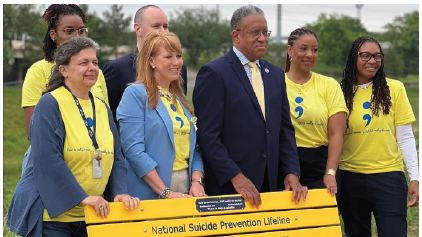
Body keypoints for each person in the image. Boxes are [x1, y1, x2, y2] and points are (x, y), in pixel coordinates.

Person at [7, 37, 139, 237]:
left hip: (92, 215)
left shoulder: (102, 107)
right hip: (53, 218)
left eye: (95, 62)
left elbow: (117, 157)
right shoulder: (49, 104)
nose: (92, 67)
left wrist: (120, 191)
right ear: (64, 70)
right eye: (83, 63)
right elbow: (48, 159)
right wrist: (83, 197)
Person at [193, 5, 306, 208]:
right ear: (236, 36)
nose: (263, 38)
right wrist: (236, 176)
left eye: (265, 32)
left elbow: (284, 129)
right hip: (230, 188)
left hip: (271, 184)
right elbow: (208, 136)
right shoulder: (214, 73)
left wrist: (291, 172)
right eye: (256, 33)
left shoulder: (276, 74)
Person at [339, 36, 419, 237]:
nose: (372, 61)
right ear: (353, 58)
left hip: (389, 178)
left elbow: (406, 137)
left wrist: (415, 178)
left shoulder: (395, 89)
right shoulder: (339, 92)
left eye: (377, 56)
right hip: (350, 178)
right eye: (365, 55)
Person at [21, 4, 109, 174]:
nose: (77, 36)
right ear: (53, 35)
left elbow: (105, 122)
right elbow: (33, 132)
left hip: (93, 164)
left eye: (82, 31)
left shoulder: (97, 74)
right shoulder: (38, 71)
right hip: (52, 163)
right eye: (69, 31)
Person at [117, 31, 205, 200]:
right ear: (151, 61)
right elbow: (134, 151)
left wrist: (197, 182)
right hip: (149, 191)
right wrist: (166, 192)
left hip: (185, 188)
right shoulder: (135, 94)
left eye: (178, 56)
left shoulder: (180, 98)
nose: (176, 62)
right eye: (168, 57)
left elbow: (195, 147)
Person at [284, 28, 347, 198]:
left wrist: (330, 172)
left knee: (321, 222)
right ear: (290, 50)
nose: (310, 55)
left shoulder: (329, 85)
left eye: (315, 50)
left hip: (320, 165)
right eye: (303, 48)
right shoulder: (276, 83)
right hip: (285, 164)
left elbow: (336, 133)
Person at [103, 5, 188, 126]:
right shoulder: (117, 69)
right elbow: (107, 119)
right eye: (156, 26)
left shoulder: (178, 69)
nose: (163, 31)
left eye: (165, 26)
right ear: (138, 29)